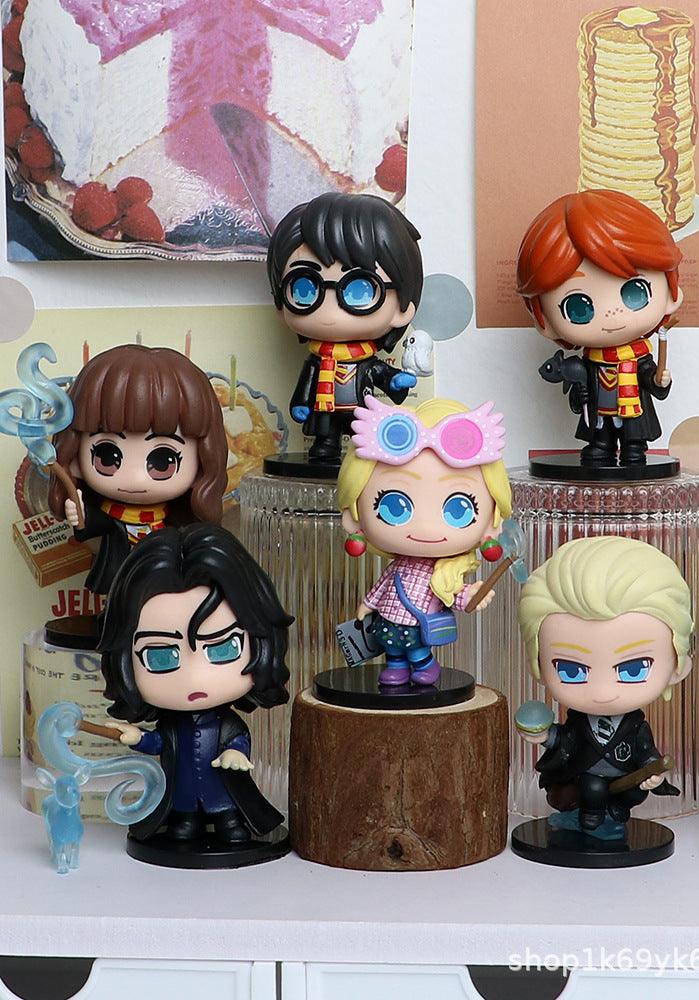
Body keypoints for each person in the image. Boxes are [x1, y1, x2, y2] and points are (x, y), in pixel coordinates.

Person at [100, 524, 293, 848]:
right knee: (183, 827)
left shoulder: (225, 724)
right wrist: (138, 738)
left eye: (223, 648)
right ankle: (186, 823)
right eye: (160, 656)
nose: (194, 678)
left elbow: (238, 738)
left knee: (230, 822)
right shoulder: (172, 725)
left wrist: (235, 751)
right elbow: (159, 742)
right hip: (182, 795)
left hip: (224, 793)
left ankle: (229, 823)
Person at [516, 536, 693, 831]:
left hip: (626, 778)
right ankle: (591, 817)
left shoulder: (636, 727)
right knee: (592, 786)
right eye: (571, 671)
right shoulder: (578, 722)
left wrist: (653, 772)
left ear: (679, 665)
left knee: (634, 792)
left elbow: (647, 751)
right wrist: (544, 735)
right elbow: (565, 739)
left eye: (633, 670)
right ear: (538, 664)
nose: (603, 692)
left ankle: (616, 810)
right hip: (584, 779)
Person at [337, 396, 512, 686]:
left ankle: (425, 666)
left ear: (492, 520)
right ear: (353, 516)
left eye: (459, 509)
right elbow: (382, 586)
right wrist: (367, 604)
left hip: (418, 624)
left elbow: (450, 592)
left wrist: (471, 595)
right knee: (393, 648)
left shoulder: (443, 573)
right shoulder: (397, 569)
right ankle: (396, 668)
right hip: (389, 620)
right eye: (394, 506)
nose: (426, 527)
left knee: (417, 649)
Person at [516, 189, 682, 466]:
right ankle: (602, 445)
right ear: (544, 321)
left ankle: (632, 447)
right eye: (578, 307)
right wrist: (578, 395)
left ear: (671, 295)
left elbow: (650, 380)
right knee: (598, 440)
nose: (612, 313)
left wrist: (658, 381)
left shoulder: (640, 357)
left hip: (633, 416)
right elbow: (580, 394)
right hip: (600, 414)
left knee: (633, 448)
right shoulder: (589, 363)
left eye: (635, 292)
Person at [47, 344, 227, 599]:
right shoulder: (110, 516)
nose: (135, 478)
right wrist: (80, 514)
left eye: (163, 461)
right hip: (119, 582)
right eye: (107, 456)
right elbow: (97, 524)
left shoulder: (179, 525)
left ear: (202, 461)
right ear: (75, 456)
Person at [267, 192, 423, 465]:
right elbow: (307, 382)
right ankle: (326, 446)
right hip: (325, 412)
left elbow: (378, 372)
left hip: (360, 410)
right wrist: (301, 404)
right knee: (325, 439)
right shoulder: (317, 360)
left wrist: (395, 380)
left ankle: (362, 451)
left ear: (402, 310)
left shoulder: (365, 359)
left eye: (359, 290)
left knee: (363, 436)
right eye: (304, 288)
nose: (330, 312)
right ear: (281, 302)